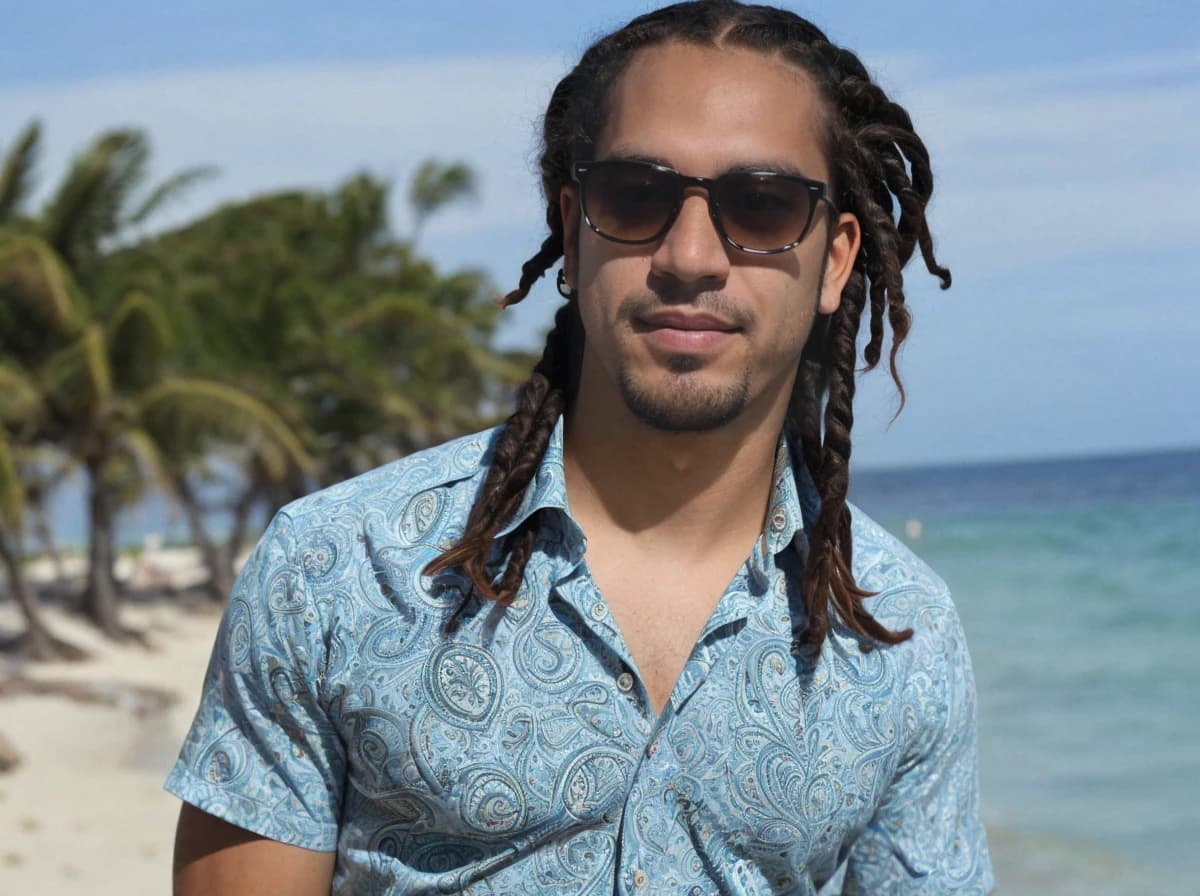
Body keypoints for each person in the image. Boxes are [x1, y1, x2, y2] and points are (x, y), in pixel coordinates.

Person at [167, 2, 993, 893]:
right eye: (635, 195)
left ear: (836, 261)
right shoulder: (336, 570)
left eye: (762, 205)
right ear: (571, 228)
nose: (690, 256)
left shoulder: (900, 636)